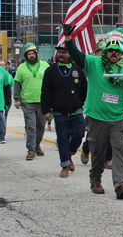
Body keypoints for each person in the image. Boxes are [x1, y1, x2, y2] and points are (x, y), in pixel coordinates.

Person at [65, 25, 123, 199]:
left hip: (117, 117)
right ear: (106, 51)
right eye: (110, 50)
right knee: (98, 152)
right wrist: (68, 38)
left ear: (121, 52)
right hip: (96, 116)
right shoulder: (93, 63)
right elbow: (77, 55)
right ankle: (95, 180)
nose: (113, 53)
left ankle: (121, 183)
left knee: (119, 149)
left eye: (116, 50)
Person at [41, 43, 87, 177]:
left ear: (69, 54)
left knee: (79, 135)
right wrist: (46, 110)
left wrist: (86, 105)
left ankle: (69, 154)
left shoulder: (78, 69)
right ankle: (65, 166)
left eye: (64, 52)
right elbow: (45, 92)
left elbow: (85, 89)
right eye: (59, 52)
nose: (61, 54)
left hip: (77, 110)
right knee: (62, 139)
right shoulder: (50, 70)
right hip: (59, 111)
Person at [14, 43, 50, 160]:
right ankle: (31, 150)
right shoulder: (21, 68)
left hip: (43, 101)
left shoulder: (45, 65)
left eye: (33, 53)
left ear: (37, 54)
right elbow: (17, 84)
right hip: (28, 102)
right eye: (29, 54)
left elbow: (52, 82)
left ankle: (37, 145)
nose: (32, 56)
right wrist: (17, 99)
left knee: (41, 126)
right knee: (31, 126)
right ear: (26, 56)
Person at [0, 60, 14, 143]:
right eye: (0, 64)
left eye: (3, 65)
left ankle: (2, 136)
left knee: (4, 117)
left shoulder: (8, 75)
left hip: (6, 99)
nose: (2, 66)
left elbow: (11, 84)